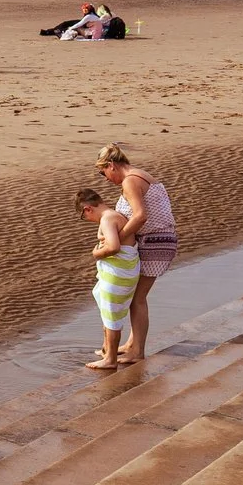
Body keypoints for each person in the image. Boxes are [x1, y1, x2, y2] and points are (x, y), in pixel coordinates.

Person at [96, 143, 176, 365]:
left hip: (154, 242)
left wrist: (117, 238)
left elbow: (140, 216)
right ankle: (131, 345)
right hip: (159, 241)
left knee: (137, 299)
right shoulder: (141, 175)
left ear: (111, 165)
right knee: (135, 297)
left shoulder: (130, 181)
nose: (105, 179)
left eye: (104, 173)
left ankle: (137, 351)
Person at [77, 188, 140, 372]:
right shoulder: (114, 215)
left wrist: (96, 253)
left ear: (87, 208)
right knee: (105, 304)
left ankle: (111, 358)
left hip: (118, 273)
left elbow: (113, 247)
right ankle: (107, 349)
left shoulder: (107, 219)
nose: (87, 219)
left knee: (112, 314)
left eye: (83, 216)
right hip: (122, 271)